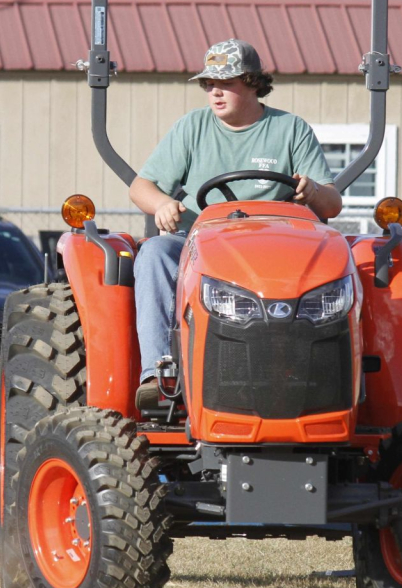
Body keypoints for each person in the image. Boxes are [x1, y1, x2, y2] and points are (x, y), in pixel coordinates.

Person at [129, 39, 343, 409]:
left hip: (276, 247)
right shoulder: (193, 128)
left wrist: (312, 192)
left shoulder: (289, 129)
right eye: (209, 84)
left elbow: (332, 203)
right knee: (153, 253)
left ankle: (321, 376)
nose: (214, 91)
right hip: (201, 244)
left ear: (252, 82)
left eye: (224, 82)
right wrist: (162, 203)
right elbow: (141, 187)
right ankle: (159, 371)